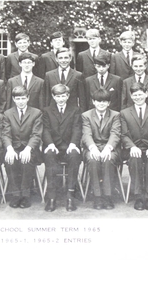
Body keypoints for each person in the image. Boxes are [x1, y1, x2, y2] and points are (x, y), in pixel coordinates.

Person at [121, 82, 148, 211]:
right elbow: (124, 134)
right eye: (135, 95)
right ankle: (138, 196)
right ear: (131, 96)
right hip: (134, 148)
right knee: (135, 158)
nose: (138, 97)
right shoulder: (124, 113)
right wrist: (132, 147)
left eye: (140, 94)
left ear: (146, 94)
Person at [42, 84, 82, 212]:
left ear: (68, 96)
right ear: (53, 96)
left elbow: (77, 128)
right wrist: (50, 144)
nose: (61, 99)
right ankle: (51, 196)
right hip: (53, 145)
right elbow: (45, 130)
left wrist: (73, 144)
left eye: (63, 96)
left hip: (69, 145)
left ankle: (70, 196)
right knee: (49, 155)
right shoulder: (47, 111)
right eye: (58, 96)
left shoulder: (75, 110)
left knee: (74, 155)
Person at [1, 86, 43, 209]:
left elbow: (36, 134)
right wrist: (9, 149)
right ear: (14, 99)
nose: (21, 101)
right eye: (18, 98)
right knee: (10, 160)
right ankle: (15, 195)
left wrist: (28, 149)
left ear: (28, 98)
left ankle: (25, 195)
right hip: (14, 147)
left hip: (30, 148)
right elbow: (6, 134)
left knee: (26, 160)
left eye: (23, 98)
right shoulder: (8, 114)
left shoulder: (36, 113)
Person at [81, 88, 121, 210]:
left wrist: (108, 148)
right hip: (92, 147)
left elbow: (115, 133)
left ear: (109, 103)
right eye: (98, 101)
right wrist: (93, 148)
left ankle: (107, 196)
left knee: (108, 159)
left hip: (110, 147)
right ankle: (97, 196)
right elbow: (86, 134)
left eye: (104, 101)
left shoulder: (115, 115)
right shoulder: (86, 115)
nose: (101, 104)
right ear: (93, 102)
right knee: (93, 160)